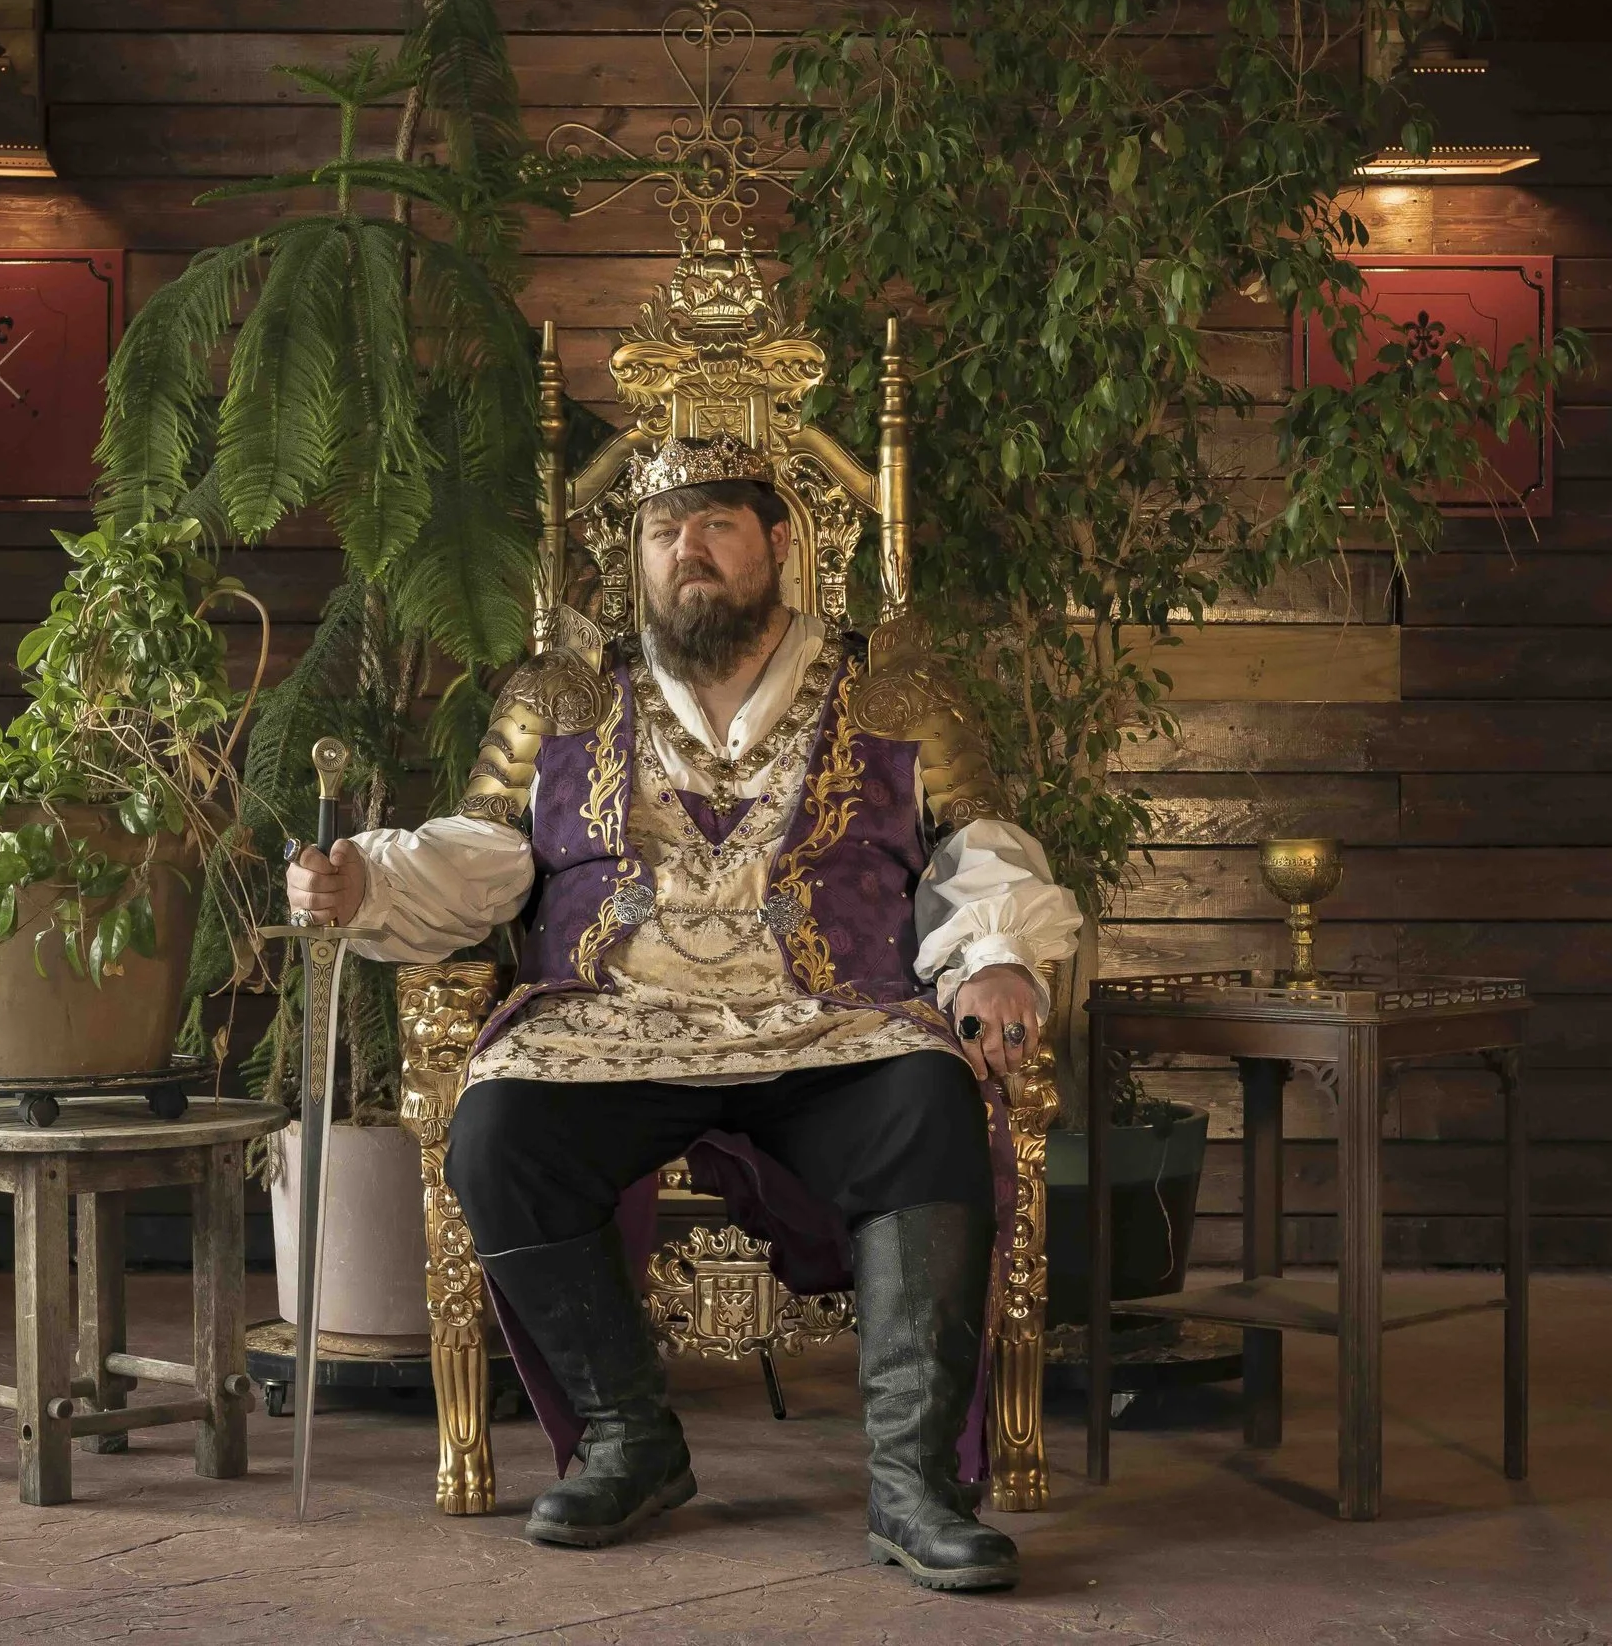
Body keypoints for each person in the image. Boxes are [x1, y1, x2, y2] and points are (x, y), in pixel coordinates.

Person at [287, 431, 1081, 1593]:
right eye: (662, 531)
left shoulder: (894, 693)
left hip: (832, 1023)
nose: (686, 549)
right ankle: (628, 1437)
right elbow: (486, 853)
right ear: (635, 561)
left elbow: (977, 850)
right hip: (615, 1024)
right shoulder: (559, 700)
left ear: (778, 541)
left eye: (713, 524)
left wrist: (998, 957)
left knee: (928, 1100)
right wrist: (366, 879)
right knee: (498, 1129)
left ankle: (914, 1484)